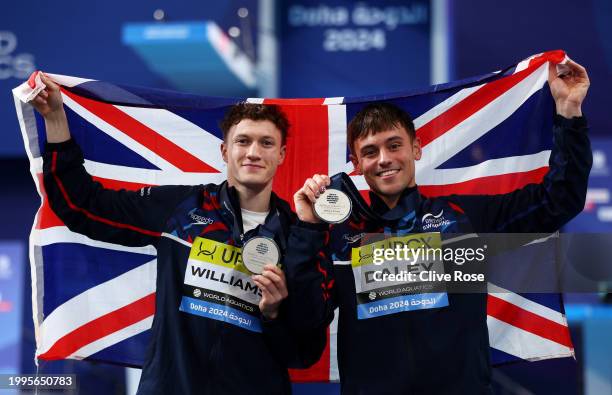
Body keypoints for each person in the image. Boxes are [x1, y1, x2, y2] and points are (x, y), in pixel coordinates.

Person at [286, 60, 591, 394]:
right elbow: (305, 321)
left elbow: (558, 201)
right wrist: (308, 226)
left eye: (394, 145)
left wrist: (568, 110)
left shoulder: (464, 216)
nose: (384, 159)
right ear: (357, 165)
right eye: (370, 152)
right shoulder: (340, 236)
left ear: (416, 149)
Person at [31, 72, 326, 395]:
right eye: (243, 141)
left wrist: (273, 313)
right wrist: (55, 120)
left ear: (281, 154)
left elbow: (304, 352)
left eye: (266, 143)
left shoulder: (297, 234)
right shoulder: (182, 208)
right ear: (225, 151)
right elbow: (83, 206)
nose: (253, 152)